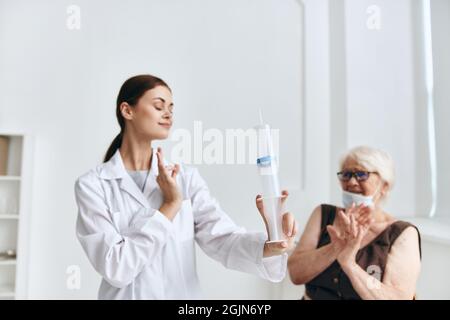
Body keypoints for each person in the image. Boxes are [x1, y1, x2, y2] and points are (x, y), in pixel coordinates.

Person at [74, 74, 297, 299]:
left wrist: (270, 246)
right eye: (158, 105)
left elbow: (223, 239)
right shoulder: (93, 185)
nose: (168, 113)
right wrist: (170, 205)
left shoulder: (186, 179)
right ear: (127, 110)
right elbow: (116, 268)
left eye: (171, 107)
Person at [288, 146, 421, 300]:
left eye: (361, 174)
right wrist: (334, 248)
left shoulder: (402, 233)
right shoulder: (324, 214)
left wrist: (349, 264)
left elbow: (397, 297)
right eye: (346, 174)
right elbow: (295, 274)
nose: (351, 182)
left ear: (384, 186)